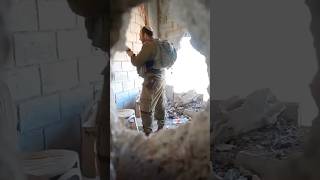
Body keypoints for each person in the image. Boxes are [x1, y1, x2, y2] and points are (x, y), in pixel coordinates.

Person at [126, 26, 166, 136]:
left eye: (140, 35)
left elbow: (137, 62)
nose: (139, 38)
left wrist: (131, 54)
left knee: (145, 105)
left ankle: (148, 133)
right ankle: (161, 127)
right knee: (159, 103)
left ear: (145, 35)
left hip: (152, 80)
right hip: (161, 78)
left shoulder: (148, 45)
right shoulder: (158, 43)